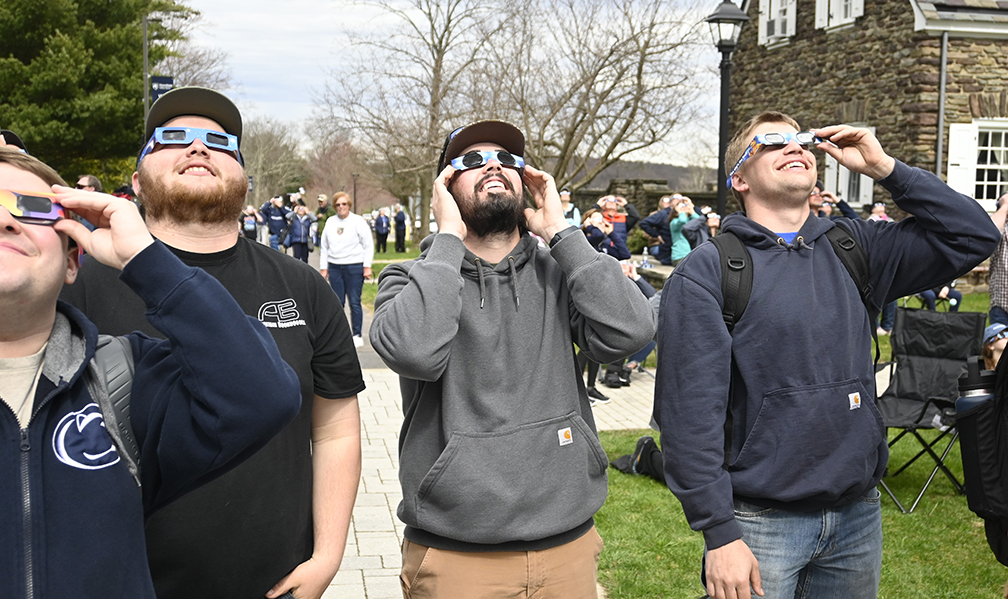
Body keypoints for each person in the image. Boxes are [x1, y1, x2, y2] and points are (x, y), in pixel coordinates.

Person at [656, 111, 1000, 599]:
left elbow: (976, 236)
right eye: (771, 142)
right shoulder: (709, 272)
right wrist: (719, 533)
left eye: (799, 139)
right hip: (759, 523)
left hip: (857, 515)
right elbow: (688, 418)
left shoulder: (853, 244)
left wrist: (886, 169)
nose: (794, 147)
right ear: (740, 179)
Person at [59, 86, 365, 599]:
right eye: (173, 137)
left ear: (244, 179)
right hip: (122, 582)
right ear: (136, 180)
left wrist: (328, 556)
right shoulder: (78, 285)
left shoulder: (303, 286)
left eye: (220, 142)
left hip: (276, 583)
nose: (198, 148)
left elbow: (335, 429)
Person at [370, 120, 656, 598]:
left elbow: (632, 332)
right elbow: (414, 351)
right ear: (444, 187)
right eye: (471, 161)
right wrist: (446, 239)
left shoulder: (559, 270)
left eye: (507, 159)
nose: (493, 166)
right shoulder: (411, 279)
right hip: (456, 556)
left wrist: (562, 233)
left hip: (568, 547)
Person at [0, 146, 301, 598]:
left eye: (34, 209)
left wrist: (145, 258)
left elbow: (264, 397)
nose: (7, 220)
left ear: (70, 261)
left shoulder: (120, 379)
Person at [319, 192, 374, 347]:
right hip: (335, 266)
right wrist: (324, 268)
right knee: (337, 303)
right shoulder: (330, 222)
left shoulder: (358, 221)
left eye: (344, 204)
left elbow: (368, 244)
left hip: (354, 266)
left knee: (355, 302)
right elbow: (324, 247)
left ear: (349, 205)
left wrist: (367, 266)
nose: (341, 207)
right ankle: (339, 335)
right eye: (338, 204)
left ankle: (356, 334)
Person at [988, 194, 1008, 326]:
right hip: (1002, 305)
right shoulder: (1001, 228)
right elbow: (988, 232)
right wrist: (1005, 206)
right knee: (999, 346)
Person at [638, 195, 675, 265]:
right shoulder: (657, 215)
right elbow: (645, 233)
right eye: (665, 201)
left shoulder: (678, 214)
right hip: (656, 245)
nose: (667, 203)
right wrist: (657, 236)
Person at [668, 194, 702, 265]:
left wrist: (691, 209)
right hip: (680, 255)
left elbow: (699, 221)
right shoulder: (674, 222)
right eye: (681, 206)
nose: (684, 207)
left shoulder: (690, 220)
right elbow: (682, 221)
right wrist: (681, 212)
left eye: (685, 206)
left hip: (691, 255)